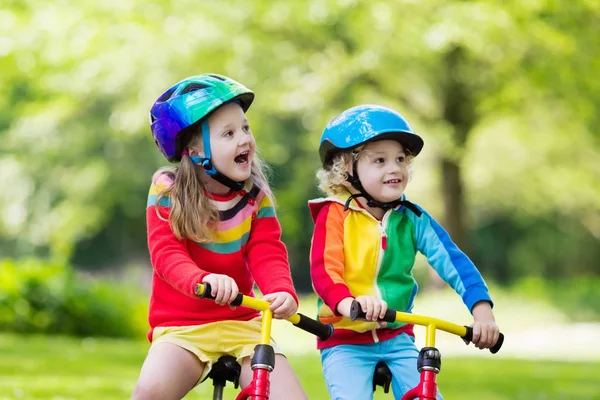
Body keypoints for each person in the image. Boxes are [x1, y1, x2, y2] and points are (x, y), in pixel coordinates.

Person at [131, 74, 306, 400]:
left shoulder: (255, 195)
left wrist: (281, 290)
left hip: (243, 321)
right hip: (183, 326)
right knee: (149, 392)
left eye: (245, 128)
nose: (244, 139)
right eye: (229, 133)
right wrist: (202, 279)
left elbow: (266, 249)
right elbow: (165, 252)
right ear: (193, 149)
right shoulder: (167, 189)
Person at [308, 104, 500, 400]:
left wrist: (482, 311)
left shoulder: (412, 218)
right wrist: (348, 303)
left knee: (426, 395)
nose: (395, 168)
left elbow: (454, 262)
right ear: (346, 168)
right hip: (344, 340)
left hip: (397, 335)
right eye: (380, 160)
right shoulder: (334, 215)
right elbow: (324, 271)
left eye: (400, 159)